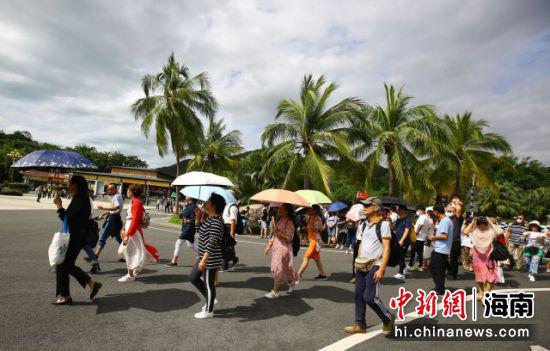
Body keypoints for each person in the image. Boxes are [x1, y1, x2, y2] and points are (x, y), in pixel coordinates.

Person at [344, 197, 395, 336]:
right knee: (358, 295)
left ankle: (388, 318)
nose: (364, 207)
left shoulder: (383, 225)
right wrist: (357, 262)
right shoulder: (363, 224)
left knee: (369, 297)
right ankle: (360, 324)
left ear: (377, 208)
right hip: (361, 264)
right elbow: (361, 244)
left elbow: (387, 249)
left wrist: (381, 269)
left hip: (375, 264)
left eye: (368, 205)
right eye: (364, 205)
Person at [52, 175, 102, 305]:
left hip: (75, 236)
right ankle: (89, 284)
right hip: (78, 236)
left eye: (70, 183)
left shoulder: (79, 199)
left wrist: (59, 206)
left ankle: (66, 295)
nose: (68, 185)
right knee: (65, 264)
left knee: (63, 264)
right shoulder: (82, 198)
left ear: (75, 185)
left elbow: (68, 219)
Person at [189, 193, 226, 319]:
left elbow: (212, 242)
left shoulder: (216, 221)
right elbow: (200, 232)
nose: (205, 202)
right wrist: (198, 218)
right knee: (193, 277)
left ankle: (209, 310)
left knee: (209, 284)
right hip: (203, 257)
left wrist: (204, 259)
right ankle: (210, 299)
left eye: (208, 201)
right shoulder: (209, 218)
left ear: (213, 205)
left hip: (210, 258)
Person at [118, 185, 159, 282]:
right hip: (131, 229)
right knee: (127, 251)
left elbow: (135, 220)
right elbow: (130, 218)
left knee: (128, 251)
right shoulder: (134, 202)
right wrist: (124, 229)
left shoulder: (137, 202)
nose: (127, 192)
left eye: (128, 190)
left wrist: (128, 234)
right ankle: (137, 267)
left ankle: (130, 275)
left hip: (133, 231)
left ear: (132, 192)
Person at [263, 203, 300, 298]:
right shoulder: (280, 220)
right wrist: (269, 246)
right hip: (277, 247)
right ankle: (291, 283)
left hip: (283, 249)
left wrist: (278, 232)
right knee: (287, 269)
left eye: (281, 208)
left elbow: (289, 238)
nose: (278, 210)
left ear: (286, 210)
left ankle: (275, 292)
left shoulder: (289, 222)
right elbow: (274, 235)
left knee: (278, 269)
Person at [462, 216, 502, 299]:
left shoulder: (491, 231)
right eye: (479, 224)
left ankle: (487, 293)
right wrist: (472, 222)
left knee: (491, 276)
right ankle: (481, 291)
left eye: (484, 224)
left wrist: (490, 222)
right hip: (477, 257)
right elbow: (465, 231)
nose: (482, 226)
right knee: (479, 276)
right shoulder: (475, 232)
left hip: (489, 256)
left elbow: (499, 232)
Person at [165, 197, 198, 267]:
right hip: (188, 228)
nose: (186, 196)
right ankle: (201, 255)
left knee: (178, 243)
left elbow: (194, 219)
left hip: (188, 228)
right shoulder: (189, 206)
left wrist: (187, 220)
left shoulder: (192, 207)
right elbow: (183, 215)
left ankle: (174, 261)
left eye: (187, 196)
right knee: (190, 244)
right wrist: (177, 213)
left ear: (190, 198)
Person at [428, 204, 453, 295]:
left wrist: (433, 237)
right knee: (434, 268)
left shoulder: (445, 221)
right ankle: (439, 286)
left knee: (438, 270)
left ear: (436, 211)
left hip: (441, 250)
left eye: (433, 211)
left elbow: (444, 236)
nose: (433, 213)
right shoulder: (444, 220)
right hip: (439, 249)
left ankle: (440, 288)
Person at [298, 205, 328, 280]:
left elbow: (319, 229)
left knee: (306, 257)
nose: (309, 211)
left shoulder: (318, 219)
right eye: (309, 209)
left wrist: (311, 225)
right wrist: (306, 227)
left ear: (315, 211)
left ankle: (298, 274)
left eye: (311, 209)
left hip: (315, 241)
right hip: (312, 240)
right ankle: (322, 275)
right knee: (317, 259)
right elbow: (309, 228)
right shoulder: (311, 217)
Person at [94, 184, 124, 260]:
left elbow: (116, 207)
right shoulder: (118, 196)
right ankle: (128, 255)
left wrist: (103, 207)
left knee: (102, 237)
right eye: (108, 189)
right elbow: (113, 210)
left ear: (116, 189)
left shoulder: (116, 197)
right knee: (119, 239)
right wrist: (103, 214)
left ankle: (95, 256)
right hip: (116, 219)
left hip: (112, 220)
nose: (109, 191)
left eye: (111, 189)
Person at [446, 196, 463, 280]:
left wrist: (457, 202)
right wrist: (451, 203)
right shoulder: (449, 217)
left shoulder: (458, 217)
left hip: (455, 240)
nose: (452, 206)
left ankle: (454, 274)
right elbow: (446, 208)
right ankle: (450, 269)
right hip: (446, 239)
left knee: (453, 259)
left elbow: (459, 209)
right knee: (442, 256)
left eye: (454, 204)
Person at [393, 205, 412, 280]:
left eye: (399, 209)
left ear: (403, 210)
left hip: (404, 241)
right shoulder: (399, 219)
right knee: (399, 256)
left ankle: (401, 273)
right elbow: (394, 228)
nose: (397, 210)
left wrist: (402, 240)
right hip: (398, 240)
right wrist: (390, 222)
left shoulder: (407, 219)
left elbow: (407, 231)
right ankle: (404, 267)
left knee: (400, 256)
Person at [409, 206, 430, 272]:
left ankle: (411, 264)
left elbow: (421, 224)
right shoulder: (427, 217)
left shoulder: (422, 217)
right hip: (422, 237)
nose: (417, 212)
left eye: (418, 210)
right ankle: (420, 265)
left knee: (413, 251)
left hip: (418, 237)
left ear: (421, 210)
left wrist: (416, 233)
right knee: (419, 252)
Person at [222, 201, 240, 271]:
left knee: (226, 246)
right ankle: (234, 259)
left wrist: (232, 233)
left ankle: (225, 266)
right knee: (228, 245)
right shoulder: (226, 205)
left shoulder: (232, 207)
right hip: (225, 226)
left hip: (229, 227)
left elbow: (233, 221)